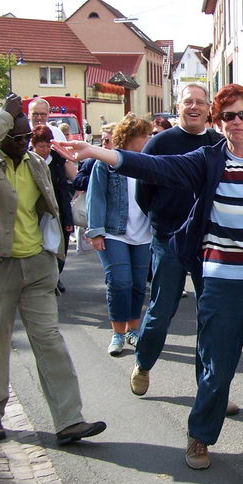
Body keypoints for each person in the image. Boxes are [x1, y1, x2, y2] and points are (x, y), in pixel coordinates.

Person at [53, 84, 243, 484]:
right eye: (228, 117)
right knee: (216, 368)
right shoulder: (206, 161)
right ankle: (200, 434)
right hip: (224, 281)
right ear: (217, 122)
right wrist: (98, 152)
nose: (238, 123)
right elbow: (155, 168)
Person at [0, 78, 106, 446]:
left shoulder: (34, 162)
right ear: (3, 134)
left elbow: (48, 207)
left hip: (37, 265)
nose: (24, 142)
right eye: (17, 136)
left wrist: (52, 252)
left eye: (27, 137)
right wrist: (1, 120)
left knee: (49, 339)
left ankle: (69, 420)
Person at [128, 84, 224, 400]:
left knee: (210, 317)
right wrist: (162, 218)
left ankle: (208, 390)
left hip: (207, 241)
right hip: (168, 239)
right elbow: (144, 193)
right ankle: (143, 362)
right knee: (161, 311)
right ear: (178, 106)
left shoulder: (218, 143)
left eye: (200, 102)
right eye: (187, 102)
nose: (194, 107)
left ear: (209, 107)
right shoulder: (159, 143)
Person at [85, 115, 153, 356]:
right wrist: (95, 231)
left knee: (137, 285)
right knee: (119, 282)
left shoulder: (148, 162)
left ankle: (133, 330)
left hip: (144, 234)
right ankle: (117, 334)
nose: (148, 139)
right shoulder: (105, 163)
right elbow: (96, 197)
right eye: (144, 135)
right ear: (130, 137)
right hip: (114, 232)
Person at [29, 126, 76, 293]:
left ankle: (55, 276)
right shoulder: (27, 160)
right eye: (42, 146)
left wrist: (68, 218)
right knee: (38, 246)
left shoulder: (56, 159)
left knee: (59, 245)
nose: (46, 150)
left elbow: (63, 188)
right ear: (34, 145)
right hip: (35, 210)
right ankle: (40, 279)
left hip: (57, 210)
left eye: (48, 146)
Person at [71, 123, 115, 254]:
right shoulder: (94, 160)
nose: (104, 144)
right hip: (100, 216)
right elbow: (77, 181)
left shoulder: (127, 160)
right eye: (102, 140)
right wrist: (97, 180)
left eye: (107, 140)